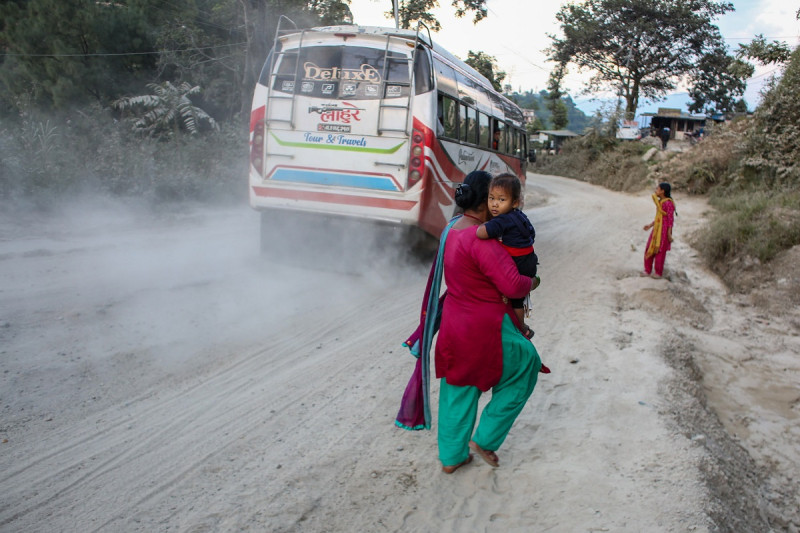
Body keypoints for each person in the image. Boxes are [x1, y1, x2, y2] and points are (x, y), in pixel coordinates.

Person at [476, 173, 539, 338]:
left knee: (516, 298)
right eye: (491, 198)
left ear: (515, 202)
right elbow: (532, 234)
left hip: (518, 262)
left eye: (501, 200)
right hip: (529, 260)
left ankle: (521, 327)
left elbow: (481, 233)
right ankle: (521, 322)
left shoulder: (502, 220)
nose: (494, 204)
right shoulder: (519, 216)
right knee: (521, 296)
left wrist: (481, 225)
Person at [641, 182, 676, 278]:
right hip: (657, 229)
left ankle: (658, 272)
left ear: (662, 191)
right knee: (650, 247)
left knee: (660, 251)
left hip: (664, 231)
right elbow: (658, 218)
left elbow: (670, 219)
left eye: (657, 188)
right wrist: (650, 225)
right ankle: (647, 270)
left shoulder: (669, 204)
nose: (656, 190)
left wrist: (669, 234)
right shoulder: (660, 202)